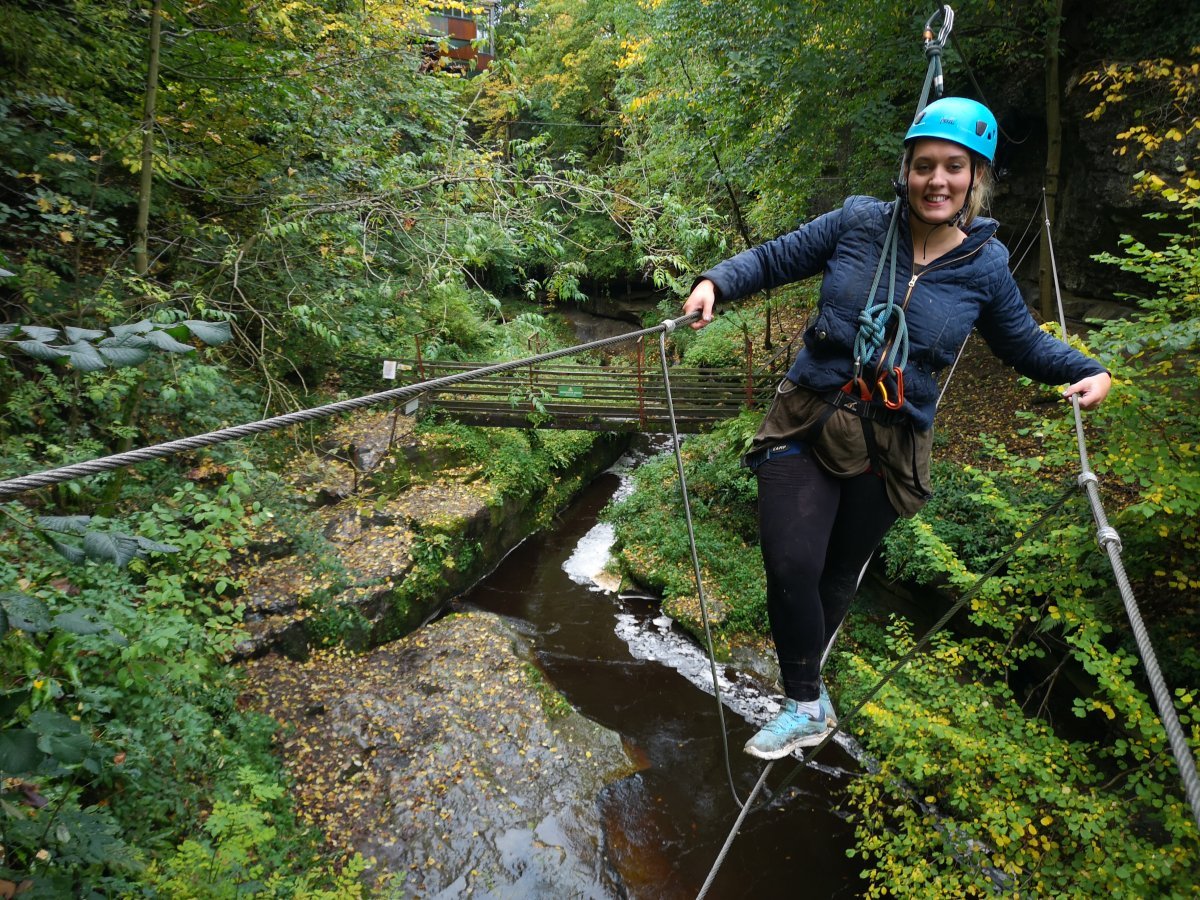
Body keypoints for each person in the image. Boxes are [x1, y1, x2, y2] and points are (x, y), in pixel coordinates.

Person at [681, 96, 1111, 760]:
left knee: (836, 573)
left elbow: (1023, 345)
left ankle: (808, 680)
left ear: (975, 179)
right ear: (904, 171)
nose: (937, 180)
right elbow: (772, 259)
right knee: (791, 559)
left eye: (954, 168)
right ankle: (804, 702)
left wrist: (1086, 368)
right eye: (924, 166)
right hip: (810, 413)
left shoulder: (984, 269)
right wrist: (715, 283)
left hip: (890, 444)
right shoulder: (857, 223)